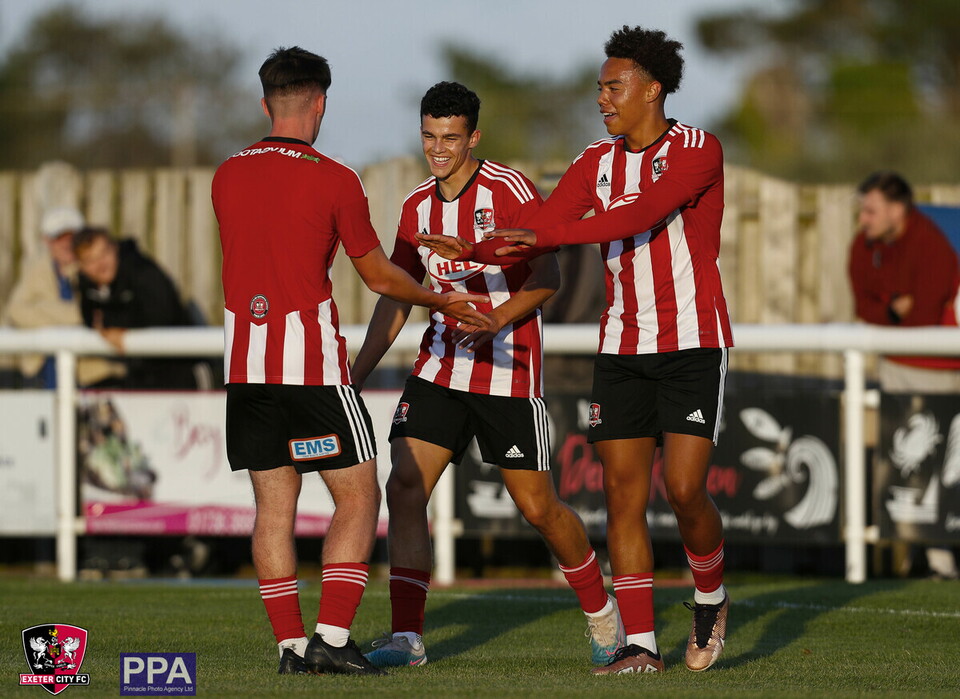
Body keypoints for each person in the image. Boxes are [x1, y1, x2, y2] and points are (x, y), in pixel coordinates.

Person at [419, 26, 734, 675]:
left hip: (691, 343)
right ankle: (640, 644)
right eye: (598, 88)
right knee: (623, 496)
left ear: (652, 89)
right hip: (620, 344)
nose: (601, 98)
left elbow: (634, 216)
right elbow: (539, 227)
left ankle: (710, 593)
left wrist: (549, 233)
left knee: (682, 488)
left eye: (612, 87)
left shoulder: (698, 149)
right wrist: (476, 250)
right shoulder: (595, 161)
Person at [210, 48, 489, 677]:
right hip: (311, 370)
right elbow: (379, 274)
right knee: (360, 497)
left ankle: (289, 648)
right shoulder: (335, 177)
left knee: (273, 512)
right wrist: (440, 296)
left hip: (246, 372)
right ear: (321, 103)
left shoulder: (226, 173)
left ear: (264, 103)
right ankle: (332, 639)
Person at [350, 81, 621, 670]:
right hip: (440, 367)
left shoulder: (509, 189)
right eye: (429, 136)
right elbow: (396, 297)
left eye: (450, 137)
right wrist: (356, 373)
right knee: (404, 486)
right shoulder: (416, 206)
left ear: (474, 136)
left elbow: (548, 276)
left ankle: (604, 619)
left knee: (539, 508)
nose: (438, 148)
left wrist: (495, 319)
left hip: (508, 372)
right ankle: (407, 638)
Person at [848, 171, 960, 580]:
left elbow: (924, 318)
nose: (864, 218)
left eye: (871, 209)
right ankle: (930, 559)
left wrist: (892, 310)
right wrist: (893, 306)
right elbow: (866, 303)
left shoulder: (931, 245)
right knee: (905, 465)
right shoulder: (865, 245)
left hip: (939, 369)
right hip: (896, 363)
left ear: (898, 210)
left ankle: (938, 558)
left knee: (940, 467)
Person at [4, 207, 120, 387]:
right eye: (59, 238)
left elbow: (100, 312)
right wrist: (71, 317)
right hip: (42, 370)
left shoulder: (94, 269)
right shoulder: (38, 270)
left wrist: (42, 308)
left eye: (72, 237)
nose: (66, 244)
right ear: (47, 241)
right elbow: (15, 311)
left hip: (92, 373)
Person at [73, 226, 198, 389]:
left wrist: (119, 329)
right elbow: (91, 319)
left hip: (183, 367)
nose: (100, 264)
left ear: (115, 248)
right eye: (90, 260)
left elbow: (163, 315)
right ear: (81, 266)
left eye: (104, 253)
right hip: (140, 374)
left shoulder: (142, 271)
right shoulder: (88, 287)